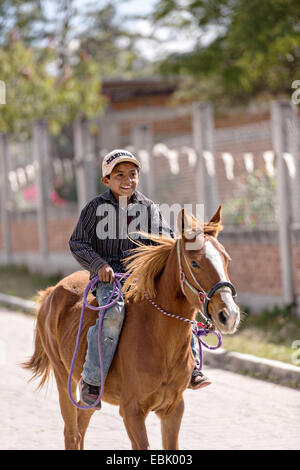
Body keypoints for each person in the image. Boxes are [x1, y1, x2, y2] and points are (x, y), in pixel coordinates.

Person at [69, 149, 211, 409]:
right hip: (110, 280)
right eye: (119, 175)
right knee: (113, 314)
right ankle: (92, 380)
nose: (127, 180)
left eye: (132, 174)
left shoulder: (148, 207)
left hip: (143, 279)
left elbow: (165, 239)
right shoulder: (95, 208)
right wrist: (98, 265)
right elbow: (78, 243)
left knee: (179, 306)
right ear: (106, 181)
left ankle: (191, 368)